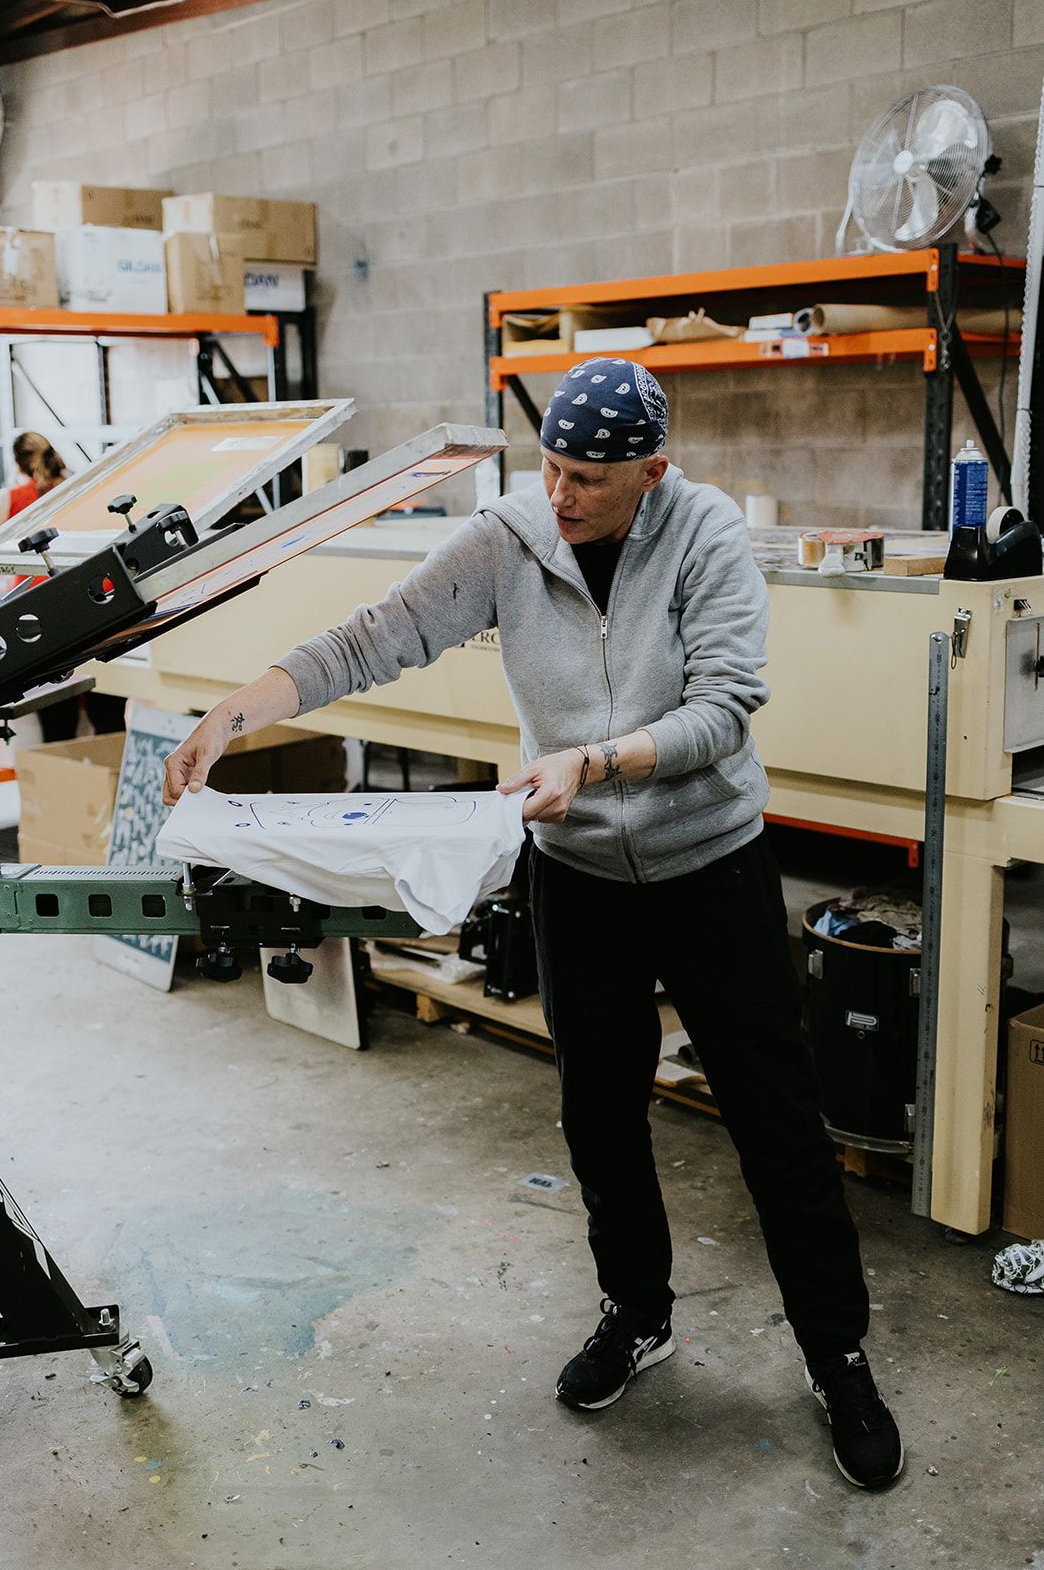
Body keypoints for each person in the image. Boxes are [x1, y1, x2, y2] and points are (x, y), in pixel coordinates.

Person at [162, 358, 903, 1491]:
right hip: (580, 876)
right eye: (550, 469)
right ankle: (636, 1314)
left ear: (650, 473)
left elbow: (722, 709)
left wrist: (591, 761)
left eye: (587, 480)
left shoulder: (703, 533)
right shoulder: (509, 537)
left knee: (774, 1122)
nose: (560, 495)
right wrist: (232, 713)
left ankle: (835, 1354)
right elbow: (374, 635)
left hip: (710, 865)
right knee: (597, 1115)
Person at [0, 431, 125, 740]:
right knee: (108, 709)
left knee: (56, 714)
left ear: (17, 464)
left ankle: (60, 763)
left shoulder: (11, 497)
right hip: (95, 599)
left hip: (42, 611)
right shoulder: (79, 486)